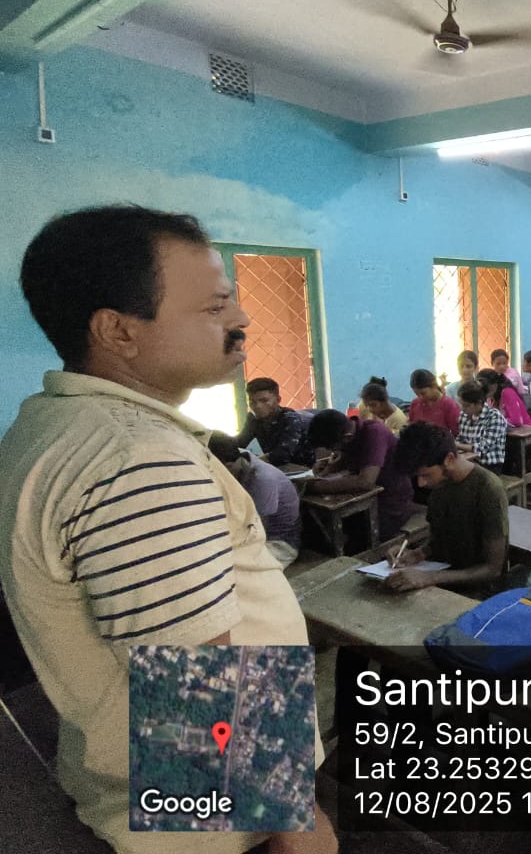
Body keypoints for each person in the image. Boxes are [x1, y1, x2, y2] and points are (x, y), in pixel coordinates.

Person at [0, 204, 338, 853]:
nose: (241, 318)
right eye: (213, 305)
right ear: (118, 331)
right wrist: (298, 825)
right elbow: (202, 688)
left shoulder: (51, 424)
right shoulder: (137, 461)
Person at [381, 423, 508, 593]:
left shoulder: (488, 488)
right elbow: (441, 541)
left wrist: (430, 578)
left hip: (478, 592)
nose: (421, 483)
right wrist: (418, 553)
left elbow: (492, 569)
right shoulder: (440, 485)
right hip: (442, 577)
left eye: (425, 475)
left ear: (449, 459)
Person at [306, 407, 415, 538]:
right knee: (314, 522)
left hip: (391, 505)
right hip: (367, 501)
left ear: (347, 437)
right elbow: (342, 458)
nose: (331, 451)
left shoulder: (374, 433)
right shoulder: (350, 433)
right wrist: (327, 467)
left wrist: (315, 486)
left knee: (347, 534)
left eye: (331, 447)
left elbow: (365, 481)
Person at [209, 432, 302, 567]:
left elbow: (258, 532)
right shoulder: (240, 457)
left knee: (225, 568)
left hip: (279, 543)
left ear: (227, 466)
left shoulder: (262, 480)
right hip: (249, 530)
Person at [234, 376, 310, 465]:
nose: (257, 406)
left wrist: (251, 463)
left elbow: (282, 455)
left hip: (301, 467)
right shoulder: (254, 419)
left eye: (264, 400)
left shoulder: (290, 419)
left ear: (278, 400)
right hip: (277, 467)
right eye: (252, 401)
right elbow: (240, 443)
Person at [455, 381, 509, 470]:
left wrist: (458, 445)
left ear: (478, 403)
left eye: (466, 405)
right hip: (470, 460)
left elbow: (483, 448)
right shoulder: (464, 415)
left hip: (488, 465)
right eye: (461, 405)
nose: (462, 409)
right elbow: (460, 439)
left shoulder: (494, 417)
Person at [408, 368, 461, 435]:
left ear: (434, 386)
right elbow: (411, 427)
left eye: (423, 393)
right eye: (417, 394)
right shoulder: (415, 404)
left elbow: (456, 432)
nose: (420, 397)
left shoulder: (448, 405)